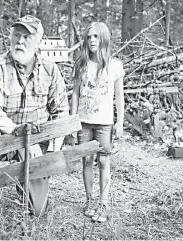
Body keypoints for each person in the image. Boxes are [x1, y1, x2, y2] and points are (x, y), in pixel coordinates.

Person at [0, 15, 69, 218]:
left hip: (37, 143)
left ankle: (30, 187)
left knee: (38, 210)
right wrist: (23, 139)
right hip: (5, 137)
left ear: (38, 42)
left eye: (27, 37)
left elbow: (61, 114)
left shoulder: (51, 70)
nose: (20, 41)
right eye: (17, 35)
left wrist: (52, 151)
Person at [70, 22, 125, 223]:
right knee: (87, 160)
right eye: (89, 37)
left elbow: (119, 96)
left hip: (104, 123)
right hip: (84, 122)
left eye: (96, 36)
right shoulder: (81, 64)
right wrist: (72, 120)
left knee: (103, 161)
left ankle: (103, 202)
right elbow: (75, 94)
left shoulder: (114, 66)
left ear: (104, 38)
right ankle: (90, 199)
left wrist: (119, 123)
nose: (92, 40)